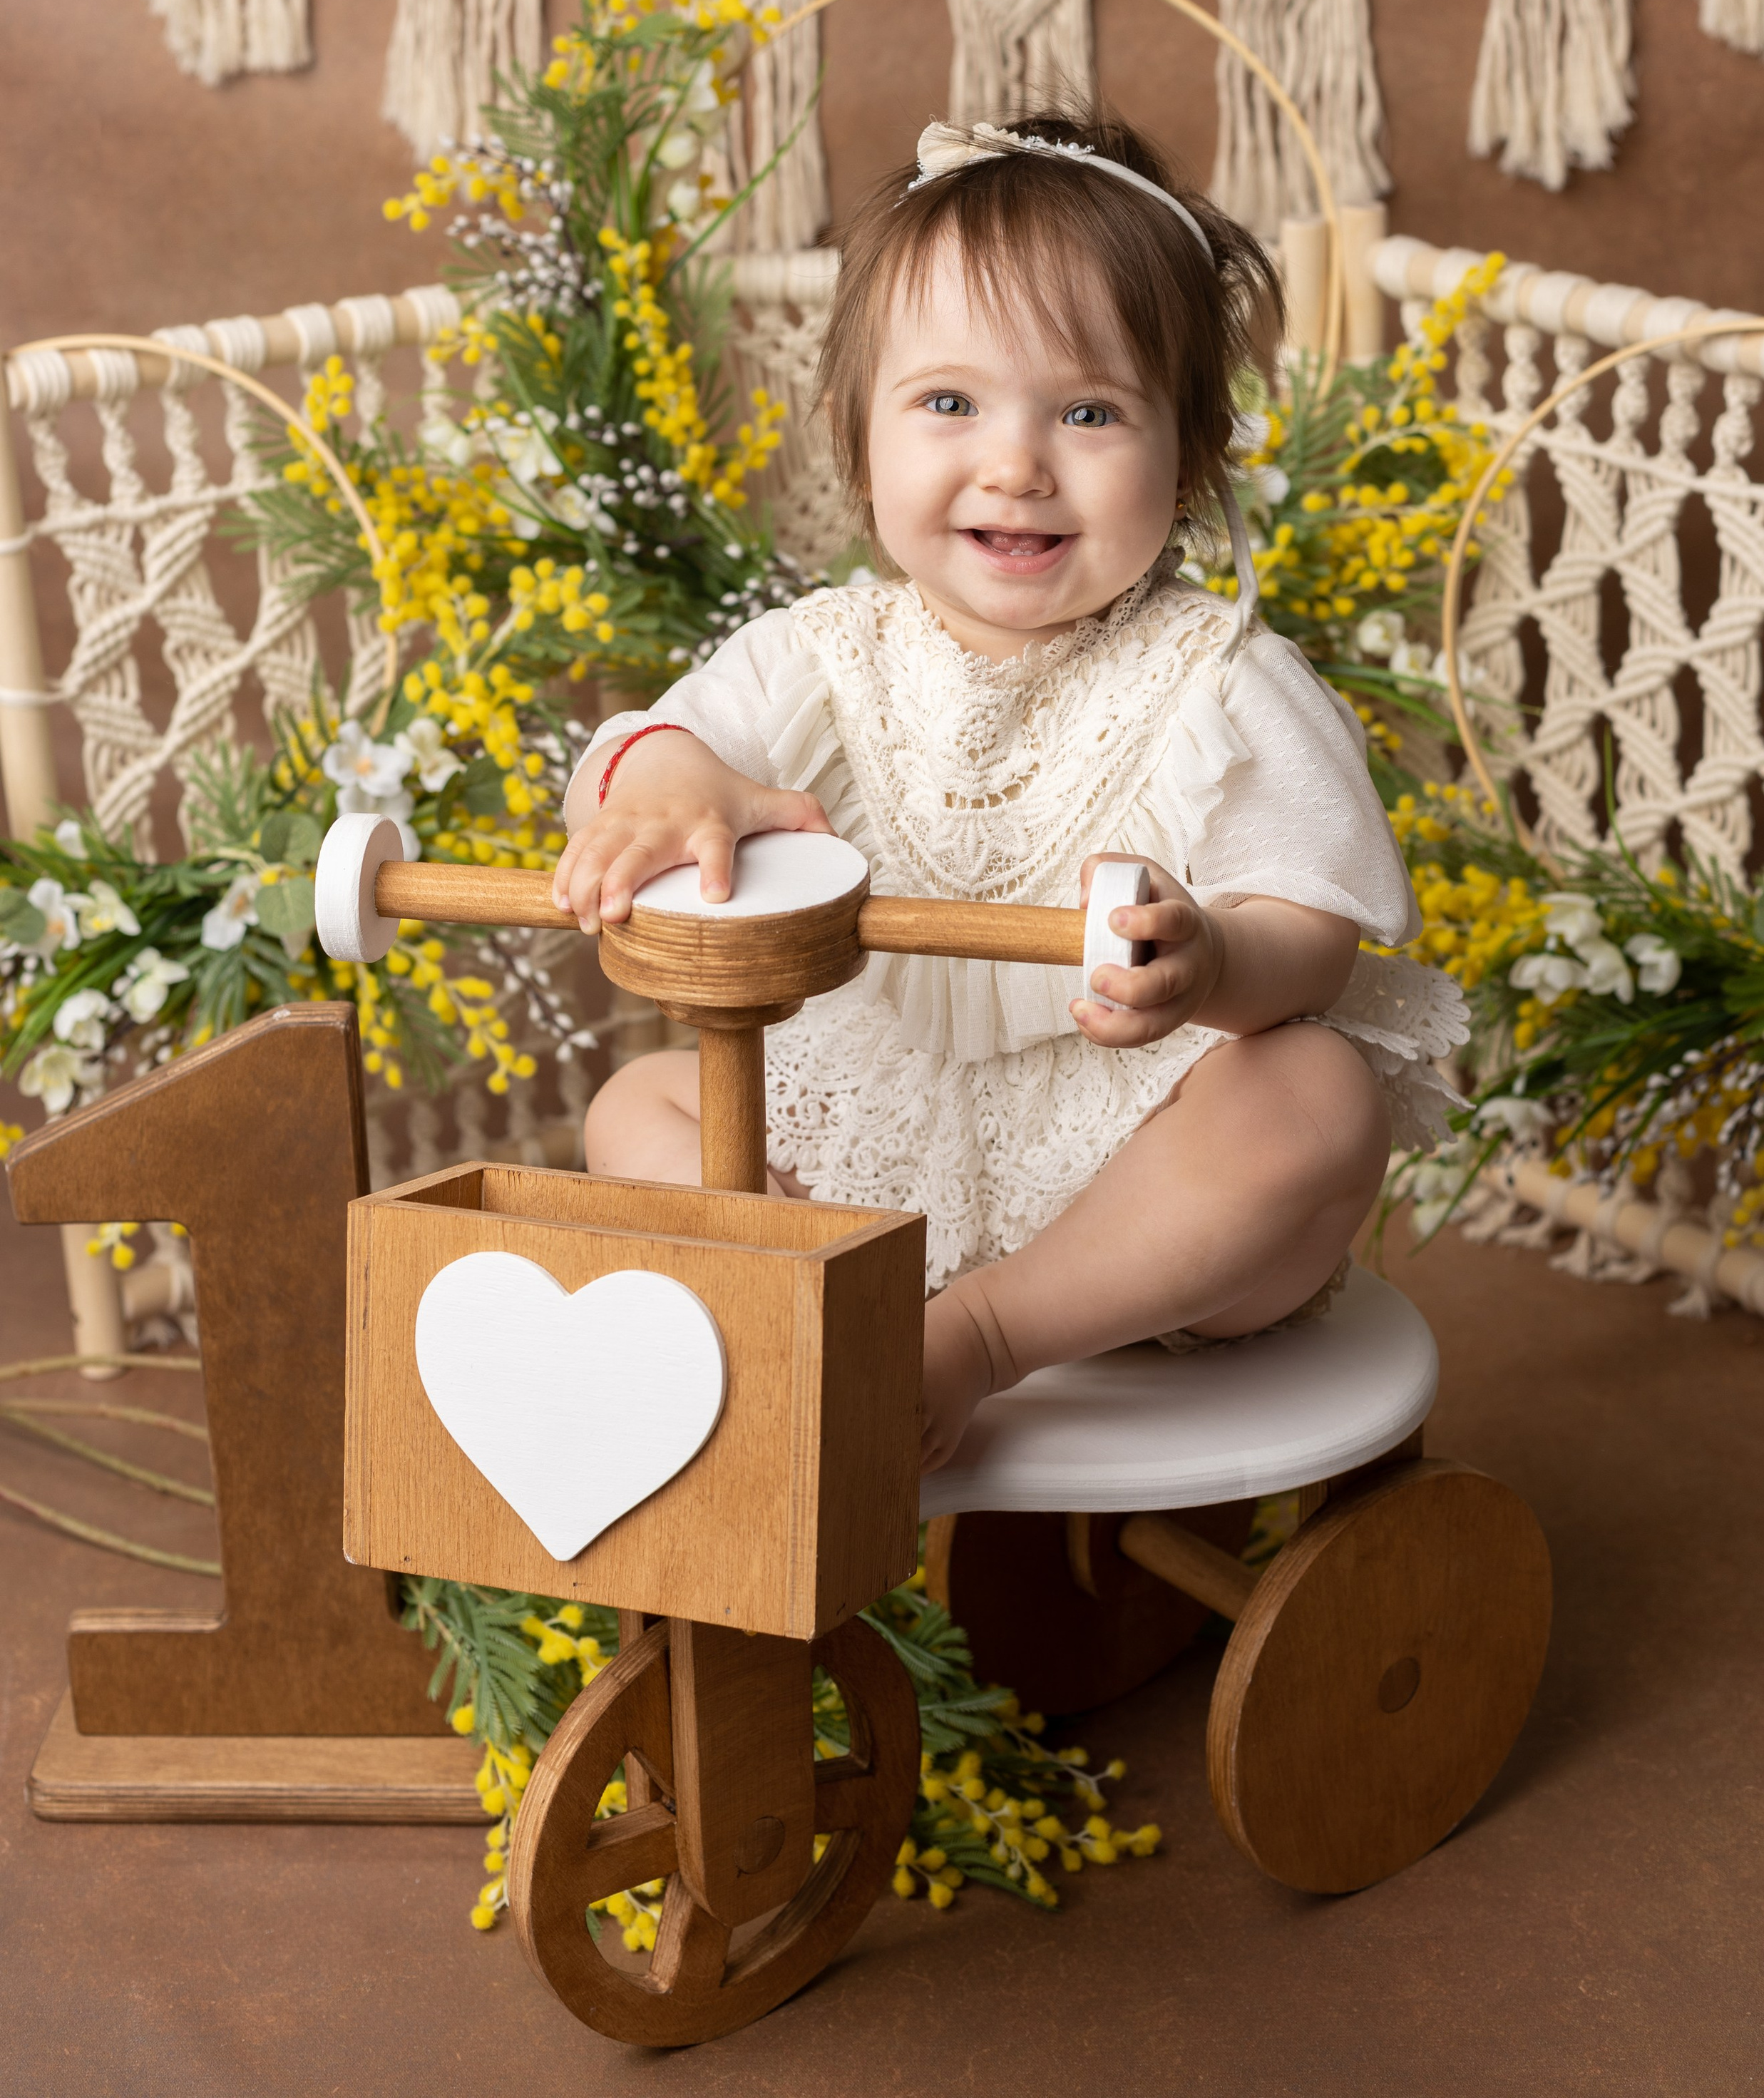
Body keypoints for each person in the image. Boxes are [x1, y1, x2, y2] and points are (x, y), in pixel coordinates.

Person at [553, 111, 1465, 1470]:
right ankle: (820, 1304)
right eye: (948, 403)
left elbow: (1315, 940)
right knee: (631, 1115)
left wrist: (1208, 958)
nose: (1016, 463)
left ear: (1192, 458)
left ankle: (980, 1333)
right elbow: (645, 750)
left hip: (1145, 1179)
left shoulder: (1222, 678)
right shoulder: (813, 657)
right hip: (862, 1161)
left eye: (1090, 411)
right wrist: (671, 787)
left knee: (1318, 1101)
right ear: (857, 444)